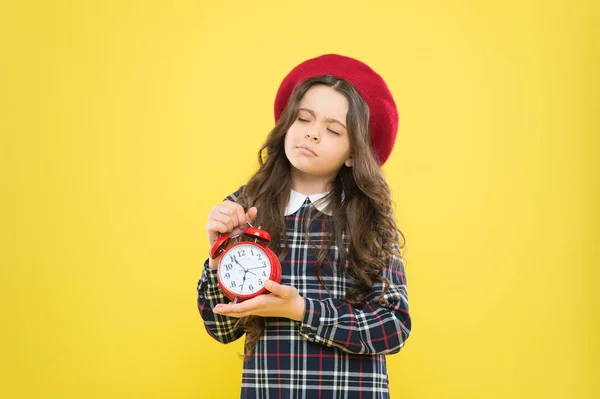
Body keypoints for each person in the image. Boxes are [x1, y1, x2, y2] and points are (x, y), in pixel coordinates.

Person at [196, 53, 411, 399]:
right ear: (286, 124)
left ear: (353, 153)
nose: (312, 134)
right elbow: (220, 328)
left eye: (332, 130)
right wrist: (219, 259)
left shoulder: (368, 220)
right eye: (304, 119)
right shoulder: (245, 208)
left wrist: (302, 311)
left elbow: (394, 327)